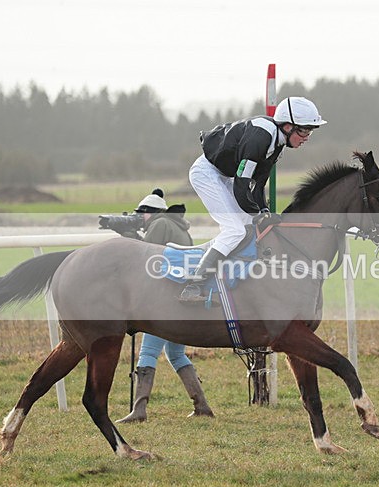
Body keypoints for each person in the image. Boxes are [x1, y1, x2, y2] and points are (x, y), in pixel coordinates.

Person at [179, 96, 327, 302]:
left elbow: (257, 185)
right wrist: (258, 213)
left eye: (309, 131)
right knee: (235, 229)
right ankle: (194, 284)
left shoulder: (277, 143)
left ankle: (233, 279)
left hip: (225, 175)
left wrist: (264, 211)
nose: (307, 137)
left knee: (248, 226)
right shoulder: (261, 138)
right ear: (287, 126)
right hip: (206, 174)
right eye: (304, 130)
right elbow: (242, 186)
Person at [117, 188, 215, 422]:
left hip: (165, 300)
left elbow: (143, 257)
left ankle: (139, 411)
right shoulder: (175, 225)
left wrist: (129, 236)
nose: (140, 217)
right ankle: (201, 406)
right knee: (175, 353)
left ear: (152, 212)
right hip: (180, 298)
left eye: (142, 213)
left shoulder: (160, 224)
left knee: (148, 351)